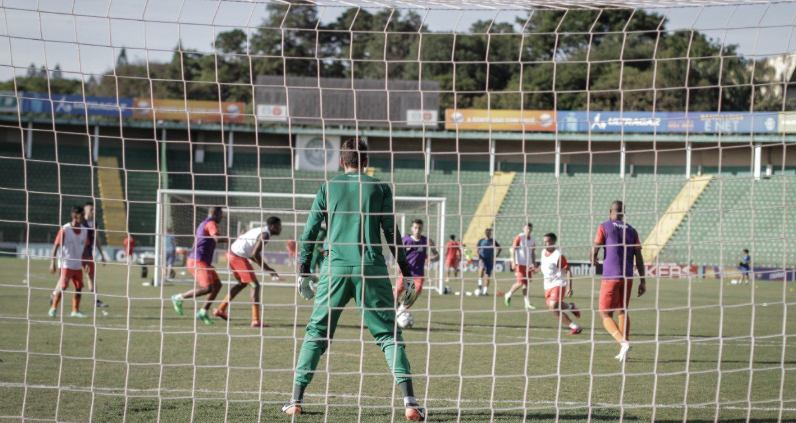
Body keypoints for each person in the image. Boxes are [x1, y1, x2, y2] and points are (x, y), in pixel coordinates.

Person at [284, 138, 424, 420]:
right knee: (388, 335)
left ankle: (295, 401)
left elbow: (310, 232)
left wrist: (303, 268)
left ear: (341, 161)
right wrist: (406, 271)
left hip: (334, 269)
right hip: (371, 268)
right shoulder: (381, 187)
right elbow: (391, 232)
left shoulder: (327, 187)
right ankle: (410, 403)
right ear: (366, 162)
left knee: (317, 332)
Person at [591, 201, 646, 362]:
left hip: (610, 277)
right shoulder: (632, 230)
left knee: (604, 313)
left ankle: (623, 342)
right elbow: (639, 257)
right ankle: (624, 352)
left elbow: (595, 247)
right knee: (622, 310)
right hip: (628, 276)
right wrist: (643, 281)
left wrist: (592, 257)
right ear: (624, 213)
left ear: (610, 212)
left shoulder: (604, 226)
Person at [213, 216, 282, 328]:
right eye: (279, 226)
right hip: (237, 256)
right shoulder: (265, 234)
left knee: (242, 283)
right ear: (273, 226)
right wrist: (268, 269)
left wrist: (265, 268)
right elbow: (254, 254)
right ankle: (255, 321)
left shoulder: (260, 230)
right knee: (255, 285)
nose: (281, 229)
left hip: (231, 253)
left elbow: (251, 253)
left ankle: (221, 309)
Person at [171, 207, 229, 325]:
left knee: (217, 285)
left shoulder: (203, 223)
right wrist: (234, 238)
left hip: (201, 260)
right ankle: (178, 297)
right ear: (216, 214)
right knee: (207, 288)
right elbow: (217, 238)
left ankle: (203, 311)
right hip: (198, 260)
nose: (222, 217)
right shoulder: (211, 223)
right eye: (221, 214)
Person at [532, 233, 581, 335]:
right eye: (544, 241)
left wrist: (569, 287)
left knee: (553, 305)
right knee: (554, 308)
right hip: (547, 285)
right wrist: (536, 270)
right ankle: (572, 312)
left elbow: (568, 271)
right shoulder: (543, 252)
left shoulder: (558, 256)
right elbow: (544, 265)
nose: (545, 243)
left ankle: (574, 321)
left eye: (547, 241)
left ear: (553, 242)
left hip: (558, 283)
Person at [48, 206, 90, 318]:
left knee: (78, 287)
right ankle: (53, 308)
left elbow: (85, 248)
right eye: (82, 216)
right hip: (66, 264)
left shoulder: (84, 230)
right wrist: (52, 262)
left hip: (77, 265)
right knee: (63, 286)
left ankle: (75, 311)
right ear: (75, 216)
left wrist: (87, 263)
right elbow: (56, 245)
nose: (84, 218)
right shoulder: (65, 229)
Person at [395, 219, 439, 313]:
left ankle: (399, 313)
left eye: (419, 228)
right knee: (395, 297)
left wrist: (432, 259)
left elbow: (437, 256)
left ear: (422, 228)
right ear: (412, 228)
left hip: (418, 275)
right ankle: (395, 308)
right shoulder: (405, 240)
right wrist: (399, 265)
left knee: (414, 294)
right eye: (415, 228)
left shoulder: (427, 241)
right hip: (405, 273)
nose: (417, 230)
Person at [505, 223, 536, 309]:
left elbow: (533, 252)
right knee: (520, 282)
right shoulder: (519, 237)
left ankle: (527, 302)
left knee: (526, 284)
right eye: (527, 229)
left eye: (530, 229)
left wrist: (534, 263)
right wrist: (513, 262)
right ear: (523, 229)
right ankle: (508, 294)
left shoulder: (532, 239)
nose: (528, 231)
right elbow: (513, 249)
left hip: (528, 265)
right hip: (520, 263)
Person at [475, 228, 501, 296]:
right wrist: (479, 257)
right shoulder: (481, 241)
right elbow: (477, 249)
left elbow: (500, 248)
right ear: (485, 233)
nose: (488, 233)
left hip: (489, 259)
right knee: (482, 267)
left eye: (489, 232)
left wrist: (496, 255)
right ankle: (480, 284)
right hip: (483, 258)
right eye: (487, 232)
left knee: (487, 275)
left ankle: (485, 291)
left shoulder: (493, 241)